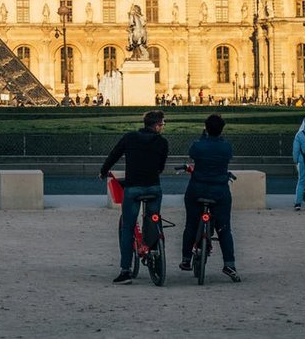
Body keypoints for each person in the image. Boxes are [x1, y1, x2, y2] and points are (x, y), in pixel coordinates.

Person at [100, 109, 169, 285]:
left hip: (133, 188)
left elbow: (114, 155)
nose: (162, 127)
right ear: (155, 125)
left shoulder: (129, 138)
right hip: (153, 187)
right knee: (154, 219)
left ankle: (125, 270)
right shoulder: (162, 142)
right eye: (162, 124)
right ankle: (157, 252)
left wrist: (103, 171)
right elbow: (161, 166)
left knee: (128, 228)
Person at [181, 113, 239, 282]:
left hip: (197, 189)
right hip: (219, 191)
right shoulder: (226, 147)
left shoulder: (198, 145)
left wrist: (202, 138)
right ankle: (229, 264)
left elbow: (193, 153)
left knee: (191, 224)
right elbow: (227, 156)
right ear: (221, 130)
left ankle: (186, 259)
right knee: (224, 228)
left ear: (206, 128)